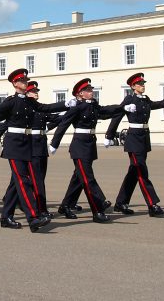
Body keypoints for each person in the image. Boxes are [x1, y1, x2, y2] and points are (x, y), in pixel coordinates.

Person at [0, 68, 68, 232]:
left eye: (26, 80)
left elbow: (45, 108)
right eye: (23, 81)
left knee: (15, 183)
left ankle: (6, 217)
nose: (26, 83)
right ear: (15, 83)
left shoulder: (29, 101)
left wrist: (65, 104)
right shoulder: (10, 102)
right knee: (23, 180)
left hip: (27, 144)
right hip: (14, 145)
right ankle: (33, 217)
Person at [104, 73, 164, 217]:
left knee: (133, 173)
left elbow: (157, 104)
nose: (143, 85)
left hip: (144, 138)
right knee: (141, 172)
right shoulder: (129, 99)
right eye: (140, 84)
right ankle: (152, 205)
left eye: (143, 83)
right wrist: (109, 136)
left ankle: (121, 203)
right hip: (133, 139)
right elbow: (118, 115)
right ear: (133, 86)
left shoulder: (145, 99)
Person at [50, 78, 121, 222]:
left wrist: (122, 107)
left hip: (89, 145)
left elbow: (105, 111)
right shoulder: (76, 107)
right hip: (79, 146)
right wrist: (54, 143)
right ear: (80, 94)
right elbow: (64, 124)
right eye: (88, 90)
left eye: (91, 89)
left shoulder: (93, 105)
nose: (91, 92)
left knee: (79, 178)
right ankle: (98, 208)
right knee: (88, 178)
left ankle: (65, 206)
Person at [0, 81, 59, 218]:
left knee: (21, 181)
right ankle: (37, 211)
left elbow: (54, 116)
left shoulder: (36, 107)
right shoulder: (19, 106)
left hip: (37, 146)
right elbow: (5, 124)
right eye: (33, 91)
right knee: (27, 180)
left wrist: (68, 110)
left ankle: (9, 211)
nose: (36, 93)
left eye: (36, 91)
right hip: (27, 146)